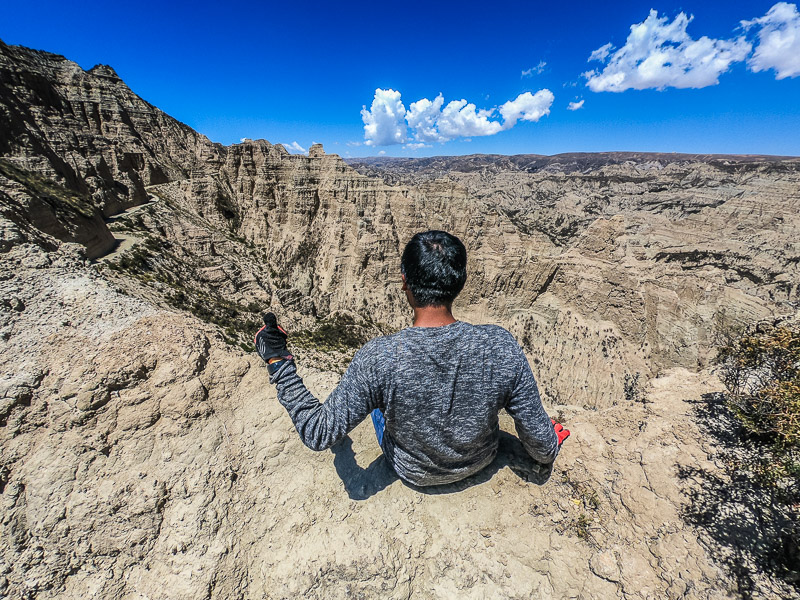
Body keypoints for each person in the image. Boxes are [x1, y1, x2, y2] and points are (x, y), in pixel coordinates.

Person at [255, 230, 569, 487]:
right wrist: (550, 442)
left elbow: (317, 432)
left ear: (404, 281)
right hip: (480, 461)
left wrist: (279, 361)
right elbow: (542, 448)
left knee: (379, 398)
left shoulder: (378, 358)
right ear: (459, 282)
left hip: (412, 472)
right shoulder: (500, 345)